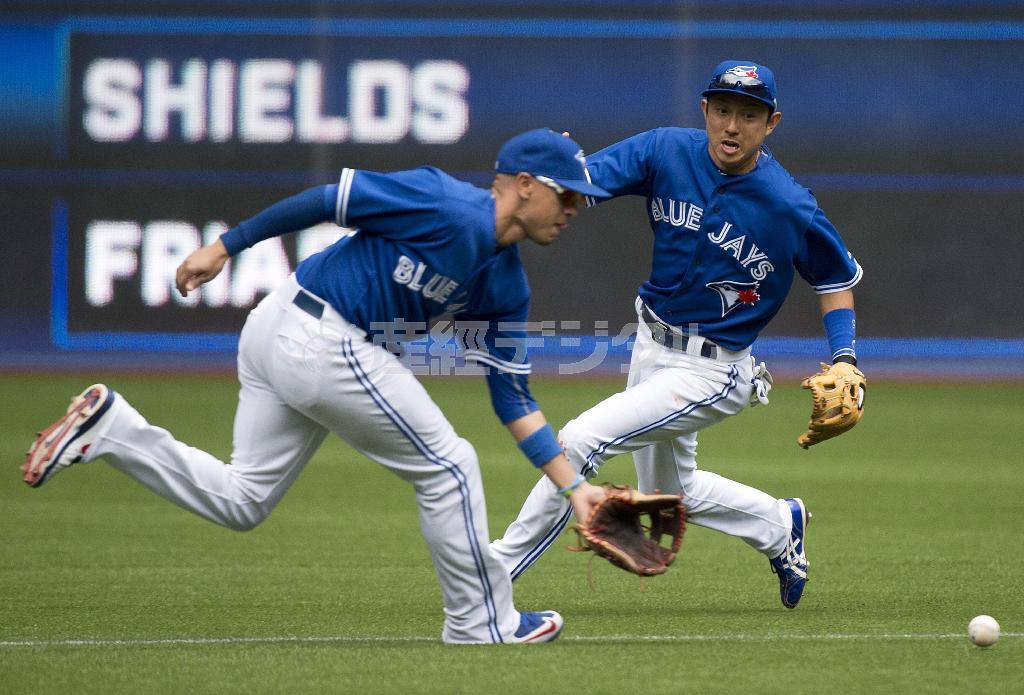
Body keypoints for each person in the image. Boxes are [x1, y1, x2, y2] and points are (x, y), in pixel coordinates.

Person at [22, 128, 611, 644]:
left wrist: (575, 491)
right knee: (450, 466)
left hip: (299, 335)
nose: (576, 208)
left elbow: (513, 400)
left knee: (242, 500)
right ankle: (480, 624)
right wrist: (227, 245)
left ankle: (114, 430)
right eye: (567, 193)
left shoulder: (505, 286)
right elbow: (331, 199)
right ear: (526, 184)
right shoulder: (442, 200)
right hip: (318, 332)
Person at [490, 61, 864, 609]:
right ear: (706, 111)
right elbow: (582, 185)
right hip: (650, 344)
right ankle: (781, 525)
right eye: (724, 110)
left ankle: (494, 572)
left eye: (750, 115)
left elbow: (835, 280)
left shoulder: (789, 205)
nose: (733, 126)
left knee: (579, 442)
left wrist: (846, 357)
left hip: (713, 369)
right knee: (677, 492)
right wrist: (556, 173)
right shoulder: (664, 150)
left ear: (772, 123)